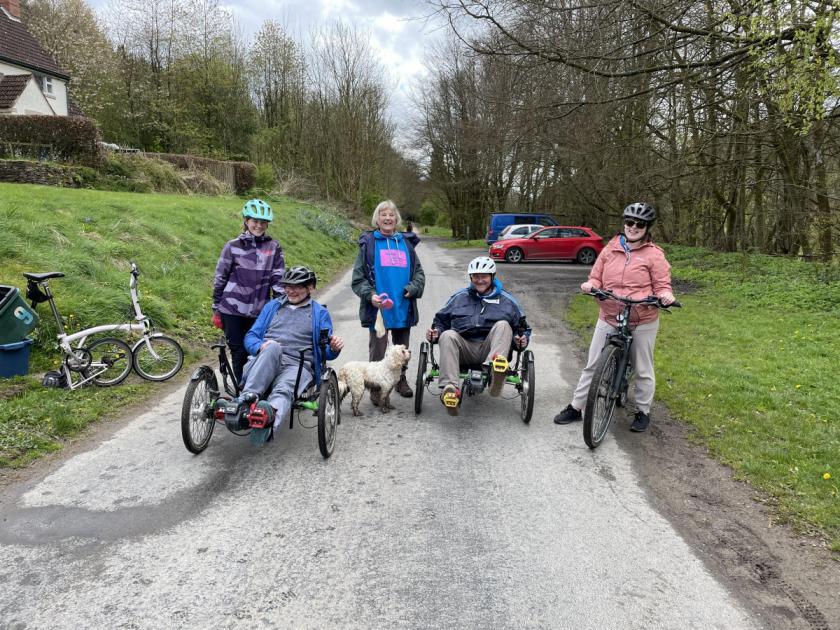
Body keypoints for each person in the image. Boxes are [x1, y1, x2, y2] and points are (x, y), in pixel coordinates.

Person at [553, 202, 675, 433]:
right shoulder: (610, 248)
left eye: (640, 224)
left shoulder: (654, 254)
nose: (633, 227)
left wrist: (665, 295)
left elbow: (662, 285)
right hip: (610, 313)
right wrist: (591, 285)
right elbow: (596, 276)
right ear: (624, 223)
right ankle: (576, 408)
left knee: (642, 368)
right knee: (592, 365)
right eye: (630, 222)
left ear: (647, 227)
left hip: (642, 316)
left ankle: (642, 411)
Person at [225, 266, 344, 444]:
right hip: (266, 358)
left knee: (284, 389)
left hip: (298, 364)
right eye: (287, 286)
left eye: (296, 286)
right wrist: (261, 346)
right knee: (273, 347)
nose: (290, 290)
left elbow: (324, 351)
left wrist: (333, 348)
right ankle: (247, 398)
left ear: (310, 287)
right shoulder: (273, 307)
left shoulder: (320, 313)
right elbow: (251, 337)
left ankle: (269, 417)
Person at [426, 256, 530, 415]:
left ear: (492, 276)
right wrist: (435, 332)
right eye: (476, 276)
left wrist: (520, 339)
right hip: (464, 350)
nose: (480, 280)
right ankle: (451, 390)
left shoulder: (507, 300)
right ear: (471, 277)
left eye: (484, 276)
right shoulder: (459, 297)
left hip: (492, 352)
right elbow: (440, 321)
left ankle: (496, 374)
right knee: (447, 334)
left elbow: (522, 327)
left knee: (503, 325)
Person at [351, 199, 425, 401]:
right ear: (377, 219)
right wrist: (370, 295)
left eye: (391, 215)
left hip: (403, 306)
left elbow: (419, 274)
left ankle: (400, 381)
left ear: (396, 219)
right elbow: (358, 279)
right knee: (378, 350)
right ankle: (376, 387)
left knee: (402, 351)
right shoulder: (369, 244)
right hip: (379, 309)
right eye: (383, 214)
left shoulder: (406, 243)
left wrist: (413, 288)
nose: (387, 218)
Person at [212, 199, 285, 385]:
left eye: (263, 222)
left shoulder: (274, 247)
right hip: (231, 310)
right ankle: (241, 391)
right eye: (255, 221)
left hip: (260, 310)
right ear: (246, 221)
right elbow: (221, 277)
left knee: (257, 350)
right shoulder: (232, 246)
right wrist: (216, 308)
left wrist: (278, 307)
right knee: (238, 352)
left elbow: (278, 280)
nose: (258, 226)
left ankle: (256, 388)